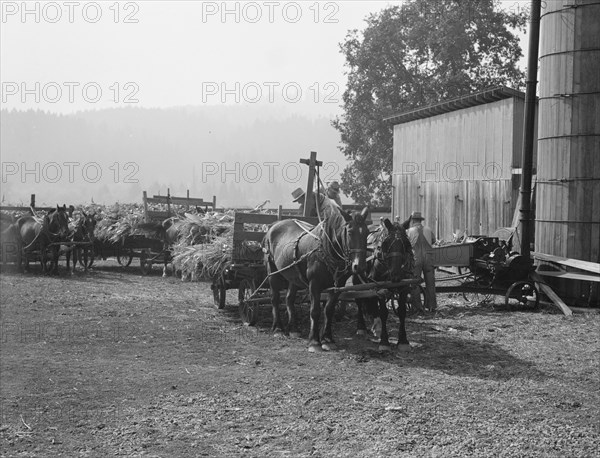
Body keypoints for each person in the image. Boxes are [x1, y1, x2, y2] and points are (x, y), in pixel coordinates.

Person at [406, 211, 437, 311]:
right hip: (428, 259)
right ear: (420, 220)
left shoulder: (409, 231)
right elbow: (433, 240)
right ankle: (431, 306)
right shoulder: (428, 229)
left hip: (416, 259)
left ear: (413, 220)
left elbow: (406, 245)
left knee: (415, 282)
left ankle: (417, 307)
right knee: (430, 283)